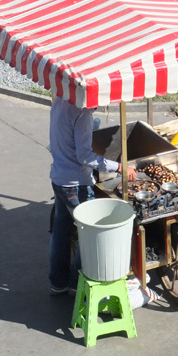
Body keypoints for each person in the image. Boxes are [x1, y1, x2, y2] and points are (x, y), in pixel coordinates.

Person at [48, 97, 137, 296]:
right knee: (88, 236)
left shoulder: (61, 100)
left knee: (61, 232)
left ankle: (57, 282)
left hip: (59, 177)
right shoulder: (83, 112)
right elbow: (85, 156)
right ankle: (75, 284)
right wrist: (120, 167)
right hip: (75, 184)